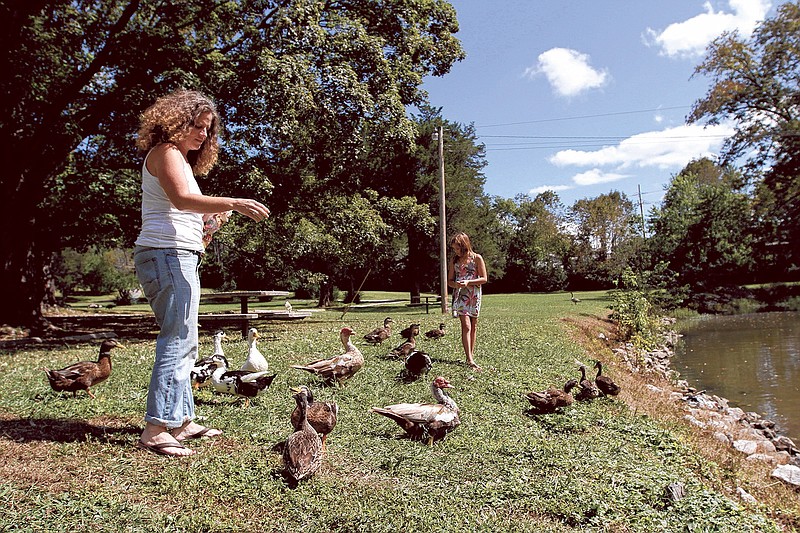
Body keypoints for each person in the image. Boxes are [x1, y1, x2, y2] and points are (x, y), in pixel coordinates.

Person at [133, 90, 270, 457]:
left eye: (207, 130)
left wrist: (208, 224)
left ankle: (180, 420)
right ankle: (156, 427)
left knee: (187, 339)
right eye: (195, 125)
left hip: (177, 255)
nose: (202, 134)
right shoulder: (165, 152)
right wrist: (233, 203)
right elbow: (180, 200)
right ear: (175, 121)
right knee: (178, 339)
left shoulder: (181, 161)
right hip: (167, 255)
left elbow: (184, 211)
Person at [447, 232, 488, 371]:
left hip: (474, 295)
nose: (456, 251)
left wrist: (468, 282)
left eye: (457, 248)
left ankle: (470, 355)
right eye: (454, 249)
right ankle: (470, 360)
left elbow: (484, 278)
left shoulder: (477, 258)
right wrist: (457, 285)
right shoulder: (454, 261)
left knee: (473, 325)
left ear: (464, 246)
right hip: (461, 296)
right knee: (466, 325)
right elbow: (449, 281)